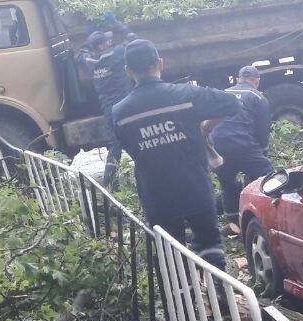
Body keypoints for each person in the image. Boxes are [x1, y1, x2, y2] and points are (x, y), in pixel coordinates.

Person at [111, 39, 242, 270]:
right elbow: (232, 104)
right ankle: (220, 298)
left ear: (128, 71)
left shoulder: (120, 112)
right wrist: (205, 128)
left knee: (172, 260)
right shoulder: (186, 95)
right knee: (210, 246)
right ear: (160, 63)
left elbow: (128, 146)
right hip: (195, 188)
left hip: (157, 196)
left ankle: (185, 300)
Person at [211, 65, 274, 223]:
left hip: (216, 146)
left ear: (238, 79)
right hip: (242, 144)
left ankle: (233, 220)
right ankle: (270, 214)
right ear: (256, 82)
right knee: (269, 177)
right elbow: (262, 131)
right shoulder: (258, 97)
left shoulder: (223, 93)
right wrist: (262, 153)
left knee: (227, 181)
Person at [80, 15, 137, 187]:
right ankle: (152, 173)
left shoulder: (90, 61)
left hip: (109, 110)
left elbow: (82, 51)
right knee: (137, 138)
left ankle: (111, 185)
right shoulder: (118, 54)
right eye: (106, 40)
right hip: (126, 106)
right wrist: (116, 22)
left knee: (115, 146)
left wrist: (89, 35)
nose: (110, 41)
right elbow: (134, 40)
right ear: (101, 45)